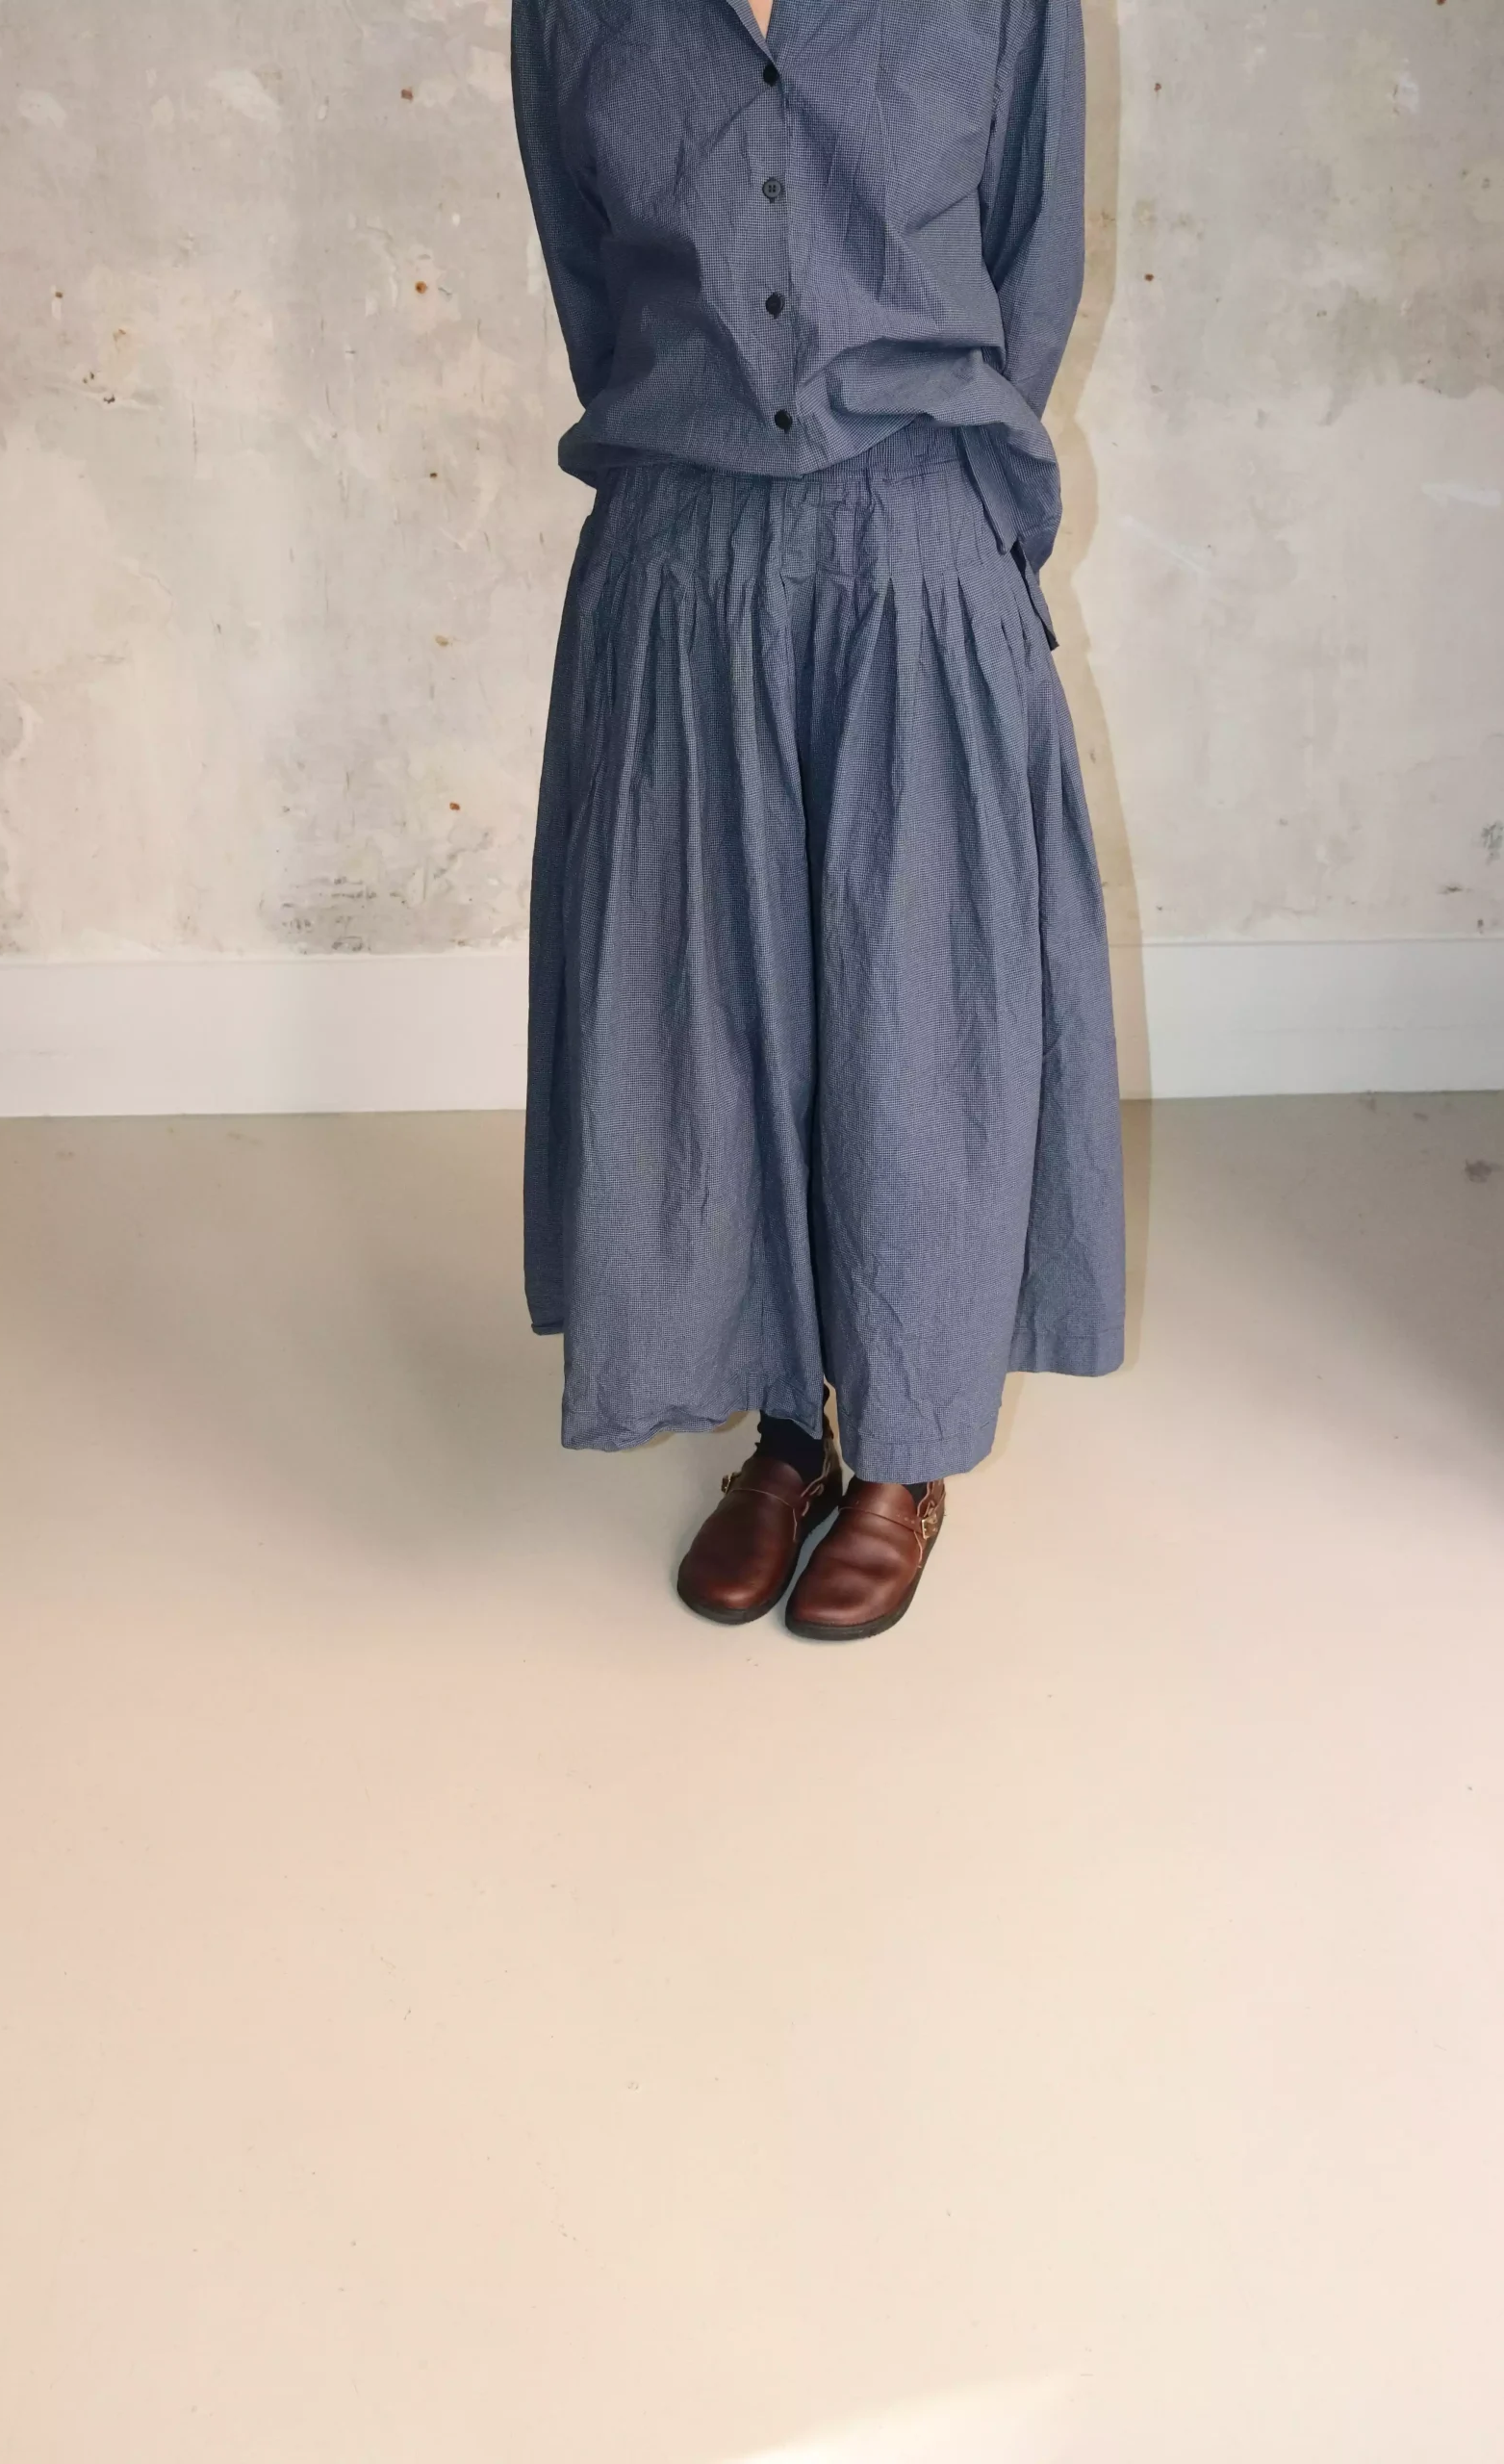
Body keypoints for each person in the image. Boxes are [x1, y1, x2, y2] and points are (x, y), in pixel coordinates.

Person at [511, 0, 1124, 1643]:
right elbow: (584, 271)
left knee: (914, 1015)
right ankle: (788, 1428)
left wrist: (951, 484)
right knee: (708, 1010)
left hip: (909, 534)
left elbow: (1031, 254)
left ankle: (902, 1451)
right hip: (680, 554)